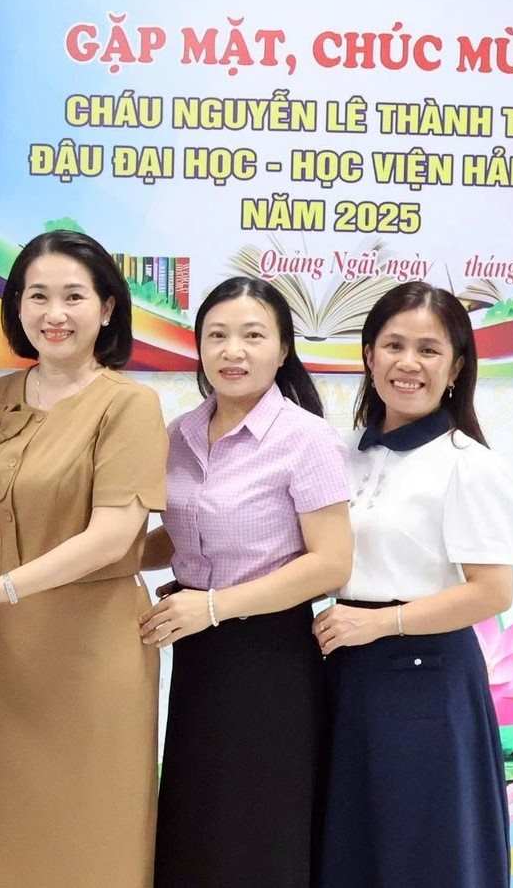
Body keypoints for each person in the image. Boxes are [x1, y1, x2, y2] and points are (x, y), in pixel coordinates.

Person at [0, 229, 168, 888]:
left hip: (96, 645)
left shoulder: (129, 404)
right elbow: (11, 518)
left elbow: (112, 536)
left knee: (94, 827)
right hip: (10, 654)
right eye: (37, 296)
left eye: (73, 296)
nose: (54, 313)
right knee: (1, 824)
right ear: (16, 308)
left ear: (108, 308)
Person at [137, 276, 353, 887]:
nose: (234, 351)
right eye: (218, 336)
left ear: (283, 348)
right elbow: (181, 535)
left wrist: (212, 606)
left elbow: (330, 562)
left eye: (253, 336)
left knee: (259, 831)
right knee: (197, 819)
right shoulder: (179, 433)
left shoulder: (306, 438)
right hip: (199, 653)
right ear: (199, 347)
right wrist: (107, 556)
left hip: (273, 658)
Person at [314, 281, 513, 887]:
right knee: (350, 843)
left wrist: (380, 622)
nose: (408, 363)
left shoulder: (467, 463)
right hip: (343, 668)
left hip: (426, 678)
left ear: (456, 368)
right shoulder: (338, 452)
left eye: (429, 350)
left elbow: (492, 591)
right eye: (393, 345)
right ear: (369, 356)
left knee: (425, 848)